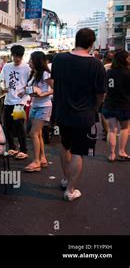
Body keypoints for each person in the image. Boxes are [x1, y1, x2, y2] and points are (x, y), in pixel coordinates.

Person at [50, 28, 106, 201]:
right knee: (78, 152)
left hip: (61, 113)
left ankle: (66, 179)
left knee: (64, 146)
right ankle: (70, 190)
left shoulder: (59, 59)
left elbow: (53, 82)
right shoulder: (96, 64)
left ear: (76, 40)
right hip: (84, 116)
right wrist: (95, 108)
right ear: (91, 43)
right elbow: (100, 94)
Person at [21, 52, 53, 173]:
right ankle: (42, 158)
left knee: (33, 133)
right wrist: (24, 92)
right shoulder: (34, 73)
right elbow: (31, 88)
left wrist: (42, 94)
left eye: (31, 59)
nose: (29, 62)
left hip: (43, 106)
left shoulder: (45, 73)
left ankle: (36, 162)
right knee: (38, 133)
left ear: (37, 61)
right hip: (35, 105)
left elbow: (55, 88)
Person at [0, 45, 31, 160]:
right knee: (7, 126)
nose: (17, 59)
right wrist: (3, 87)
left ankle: (23, 149)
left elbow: (31, 84)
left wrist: (25, 92)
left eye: (19, 56)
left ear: (22, 56)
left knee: (19, 125)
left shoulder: (27, 68)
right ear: (12, 55)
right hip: (8, 101)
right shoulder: (7, 66)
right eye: (15, 56)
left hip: (20, 102)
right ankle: (12, 147)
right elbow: (1, 80)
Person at [102, 51, 129, 162]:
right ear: (125, 59)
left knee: (112, 130)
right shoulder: (128, 73)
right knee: (124, 128)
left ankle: (111, 154)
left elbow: (105, 88)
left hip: (109, 104)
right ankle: (121, 152)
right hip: (124, 105)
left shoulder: (109, 72)